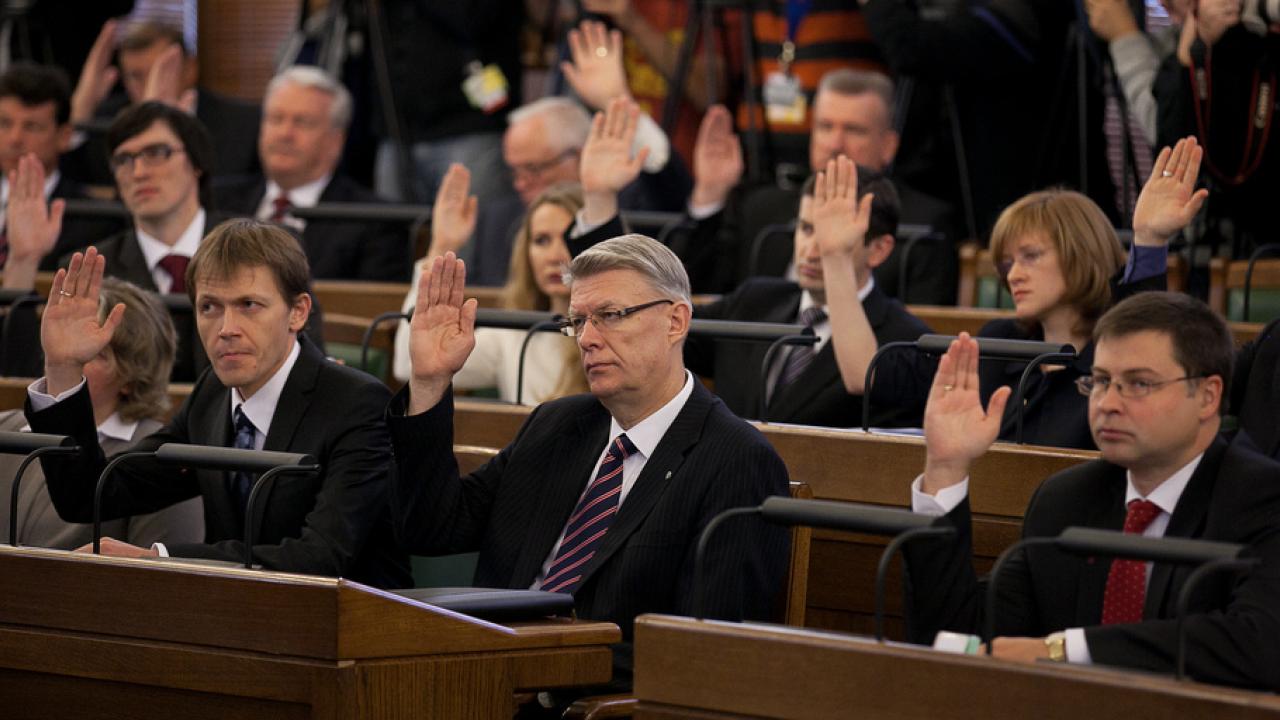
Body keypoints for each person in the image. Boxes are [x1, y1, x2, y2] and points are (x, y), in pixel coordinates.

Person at [390, 236, 790, 688]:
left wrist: (543, 663)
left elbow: (703, 653)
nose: (588, 339)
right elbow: (432, 526)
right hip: (485, 679)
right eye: (578, 321)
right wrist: (429, 383)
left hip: (590, 699)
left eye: (611, 316)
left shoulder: (737, 461)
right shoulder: (559, 425)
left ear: (676, 321)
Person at [903, 292, 1280, 689]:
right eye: (1101, 381)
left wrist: (1068, 650)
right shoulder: (1065, 499)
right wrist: (945, 468)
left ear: (1207, 396)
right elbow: (963, 637)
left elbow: (1260, 645)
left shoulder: (1262, 499)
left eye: (1138, 383)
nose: (1108, 403)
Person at [24, 221, 411, 589]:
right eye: (209, 307)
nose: (226, 328)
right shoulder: (213, 393)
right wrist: (63, 368)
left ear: (298, 312)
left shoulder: (356, 403)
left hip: (357, 635)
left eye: (248, 305)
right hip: (239, 623)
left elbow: (321, 557)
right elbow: (91, 495)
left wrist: (160, 558)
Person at [819, 138, 1207, 448]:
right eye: (1006, 263)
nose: (1014, 274)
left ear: (1080, 253)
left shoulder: (1117, 349)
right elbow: (866, 376)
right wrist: (836, 260)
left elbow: (1144, 325)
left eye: (1031, 256)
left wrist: (1150, 240)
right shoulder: (997, 343)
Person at [570, 134, 929, 426]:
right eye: (807, 229)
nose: (816, 247)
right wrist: (600, 200)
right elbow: (649, 328)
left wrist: (838, 261)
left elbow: (865, 383)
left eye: (838, 236)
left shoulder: (905, 337)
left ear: (879, 249)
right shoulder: (757, 300)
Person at [676, 69, 958, 302]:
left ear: (888, 146)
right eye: (825, 127)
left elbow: (919, 336)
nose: (835, 144)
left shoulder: (925, 225)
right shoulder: (760, 209)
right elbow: (691, 294)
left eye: (853, 130)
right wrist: (710, 195)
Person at [0, 277, 203, 549]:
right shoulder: (6, 427)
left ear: (132, 377)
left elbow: (162, 578)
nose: (69, 355)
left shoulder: (159, 457)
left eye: (95, 353)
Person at [392, 178, 588, 403]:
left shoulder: (615, 332)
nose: (555, 255)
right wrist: (442, 246)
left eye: (570, 238)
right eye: (542, 240)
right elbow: (411, 365)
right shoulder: (514, 334)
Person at [214, 66, 409, 282]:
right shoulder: (216, 201)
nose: (285, 133)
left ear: (335, 141)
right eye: (276, 119)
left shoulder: (375, 222)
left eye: (302, 122)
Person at [64, 20, 261, 185]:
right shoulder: (108, 121)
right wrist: (80, 113)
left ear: (190, 69)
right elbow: (76, 184)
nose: (150, 84)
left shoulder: (243, 123)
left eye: (160, 71)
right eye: (135, 76)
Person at [0, 62, 124, 270]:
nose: (15, 139)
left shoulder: (94, 219)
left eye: (32, 127)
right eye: (4, 123)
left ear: (64, 136)